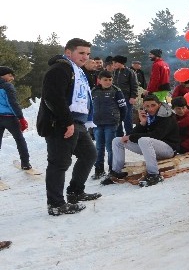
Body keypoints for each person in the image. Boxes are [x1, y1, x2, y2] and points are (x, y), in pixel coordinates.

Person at [36, 38, 100, 216]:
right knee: (59, 163)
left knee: (89, 155)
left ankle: (75, 192)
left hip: (77, 123)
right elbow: (53, 98)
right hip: (61, 124)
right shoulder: (60, 69)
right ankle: (56, 204)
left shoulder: (77, 71)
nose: (85, 57)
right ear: (68, 52)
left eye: (88, 54)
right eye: (81, 53)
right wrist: (67, 122)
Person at [101, 94, 180, 187]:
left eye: (153, 105)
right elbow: (133, 134)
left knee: (143, 140)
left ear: (159, 104)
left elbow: (156, 136)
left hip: (169, 149)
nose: (150, 109)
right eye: (147, 106)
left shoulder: (167, 116)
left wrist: (131, 137)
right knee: (117, 141)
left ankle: (153, 174)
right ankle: (116, 172)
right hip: (151, 148)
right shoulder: (149, 116)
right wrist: (142, 123)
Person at [90, 70, 127, 179]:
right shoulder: (93, 91)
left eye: (110, 80)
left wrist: (119, 120)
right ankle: (99, 170)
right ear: (99, 80)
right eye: (105, 80)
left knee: (110, 147)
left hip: (111, 123)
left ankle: (112, 169)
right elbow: (89, 107)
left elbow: (123, 108)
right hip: (97, 123)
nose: (108, 82)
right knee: (98, 147)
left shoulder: (116, 91)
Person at [0, 66, 31, 169]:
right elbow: (12, 103)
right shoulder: (7, 86)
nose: (12, 78)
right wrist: (21, 118)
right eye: (10, 75)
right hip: (10, 118)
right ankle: (25, 164)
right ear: (2, 75)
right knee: (19, 139)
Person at [112, 55, 139, 136]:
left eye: (115, 62)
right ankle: (119, 135)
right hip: (115, 98)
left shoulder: (130, 72)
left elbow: (134, 85)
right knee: (117, 117)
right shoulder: (114, 72)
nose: (114, 64)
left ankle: (129, 135)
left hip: (126, 98)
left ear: (120, 62)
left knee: (127, 117)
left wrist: (133, 97)